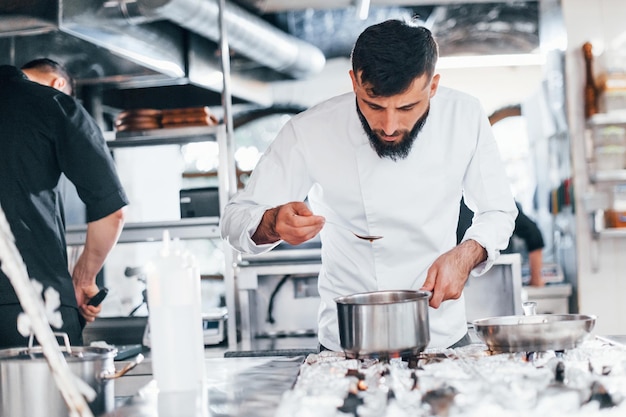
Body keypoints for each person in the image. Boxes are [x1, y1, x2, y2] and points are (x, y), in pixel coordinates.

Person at [220, 19, 517, 351]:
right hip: (347, 341)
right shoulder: (310, 130)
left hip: (440, 337)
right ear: (354, 82)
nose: (389, 125)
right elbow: (234, 220)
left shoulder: (464, 116)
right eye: (374, 105)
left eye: (407, 107)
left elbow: (498, 210)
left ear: (432, 87)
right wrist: (272, 222)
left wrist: (465, 256)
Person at [0, 58, 128, 348]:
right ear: (59, 84)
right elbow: (113, 212)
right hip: (31, 305)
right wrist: (84, 277)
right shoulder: (54, 103)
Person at [458, 198, 545, 286]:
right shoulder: (496, 200)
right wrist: (536, 279)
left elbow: (533, 235)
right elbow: (534, 235)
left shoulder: (451, 205)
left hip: (462, 283)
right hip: (502, 282)